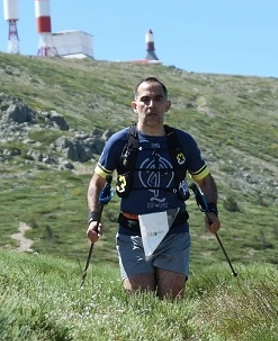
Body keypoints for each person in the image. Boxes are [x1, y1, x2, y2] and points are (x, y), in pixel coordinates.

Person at [86, 77, 221, 299]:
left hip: (174, 232)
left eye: (158, 99)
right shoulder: (119, 142)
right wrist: (94, 217)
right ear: (135, 105)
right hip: (132, 233)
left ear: (167, 105)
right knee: (140, 303)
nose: (151, 105)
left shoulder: (182, 142)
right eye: (145, 99)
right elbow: (97, 182)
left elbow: (205, 181)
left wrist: (212, 212)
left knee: (171, 302)